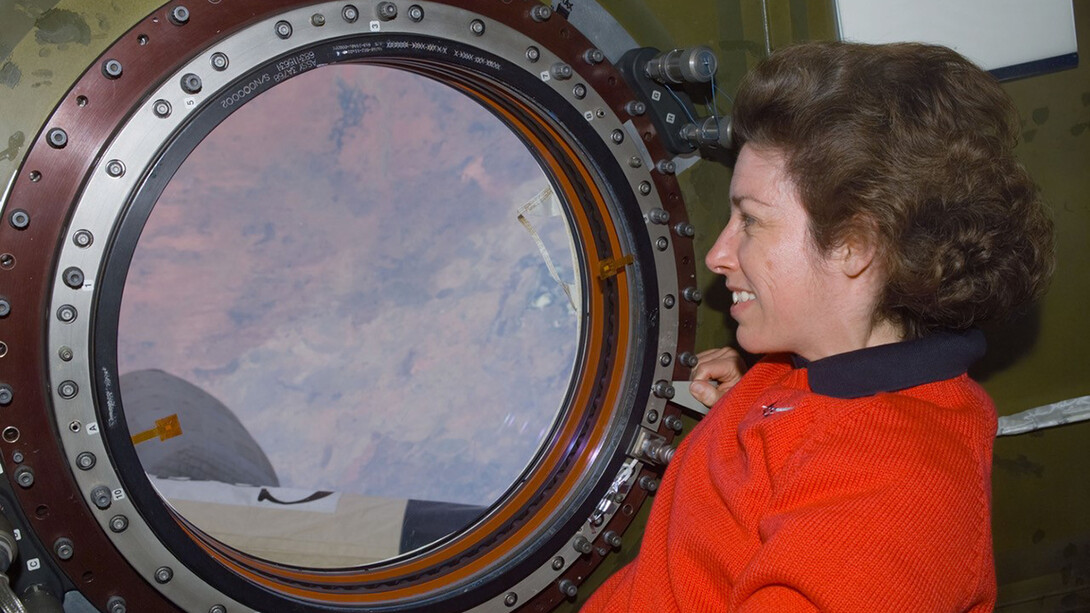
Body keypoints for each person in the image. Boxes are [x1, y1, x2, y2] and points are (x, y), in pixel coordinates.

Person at [581, 41, 1054, 612]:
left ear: (856, 245)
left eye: (751, 221)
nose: (717, 254)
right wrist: (761, 393)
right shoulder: (813, 369)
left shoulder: (893, 503)